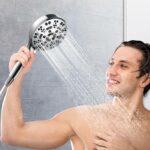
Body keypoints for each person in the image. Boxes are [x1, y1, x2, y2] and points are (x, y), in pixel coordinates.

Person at [1, 40, 150, 150]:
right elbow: (13, 135)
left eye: (123, 66)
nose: (111, 71)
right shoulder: (83, 118)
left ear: (145, 79)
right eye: (111, 63)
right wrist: (16, 77)